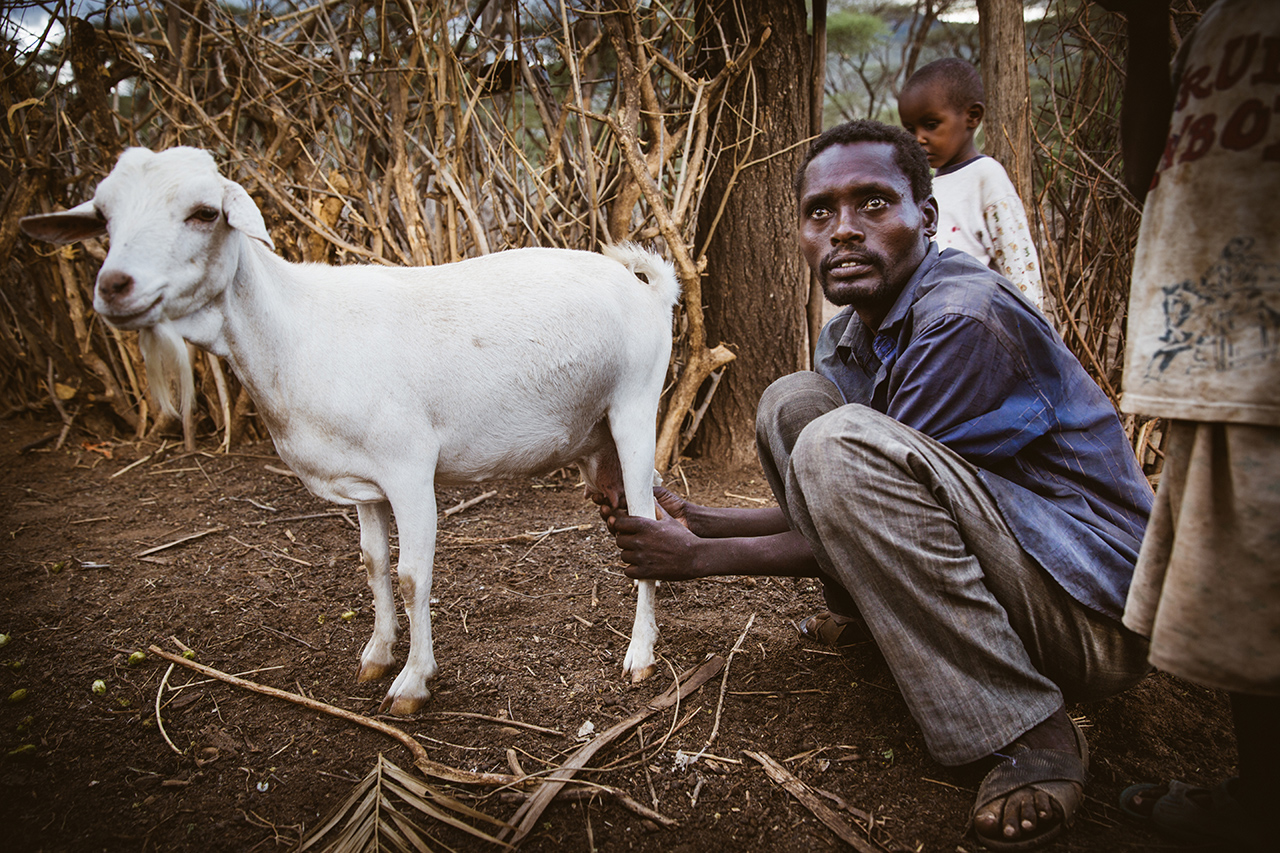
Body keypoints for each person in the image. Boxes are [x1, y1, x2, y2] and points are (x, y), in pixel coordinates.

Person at [600, 119, 1154, 851]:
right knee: (795, 403)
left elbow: (858, 480)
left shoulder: (963, 319)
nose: (844, 231)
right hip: (1017, 564)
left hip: (1088, 614)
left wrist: (699, 558)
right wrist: (705, 520)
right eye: (820, 211)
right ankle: (881, 623)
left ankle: (1031, 728)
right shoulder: (857, 327)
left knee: (834, 440)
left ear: (925, 218)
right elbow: (861, 499)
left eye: (873, 204)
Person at [1097, 0, 1280, 849]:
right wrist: (1145, 25)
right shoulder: (1212, 26)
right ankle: (1259, 796)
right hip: (1218, 365)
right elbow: (1148, 166)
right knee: (1247, 620)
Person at [898, 58, 1046, 314]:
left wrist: (1030, 324)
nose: (919, 138)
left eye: (931, 125)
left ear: (972, 117)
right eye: (910, 129)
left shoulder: (985, 176)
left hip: (975, 320)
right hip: (930, 321)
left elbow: (1017, 262)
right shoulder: (925, 185)